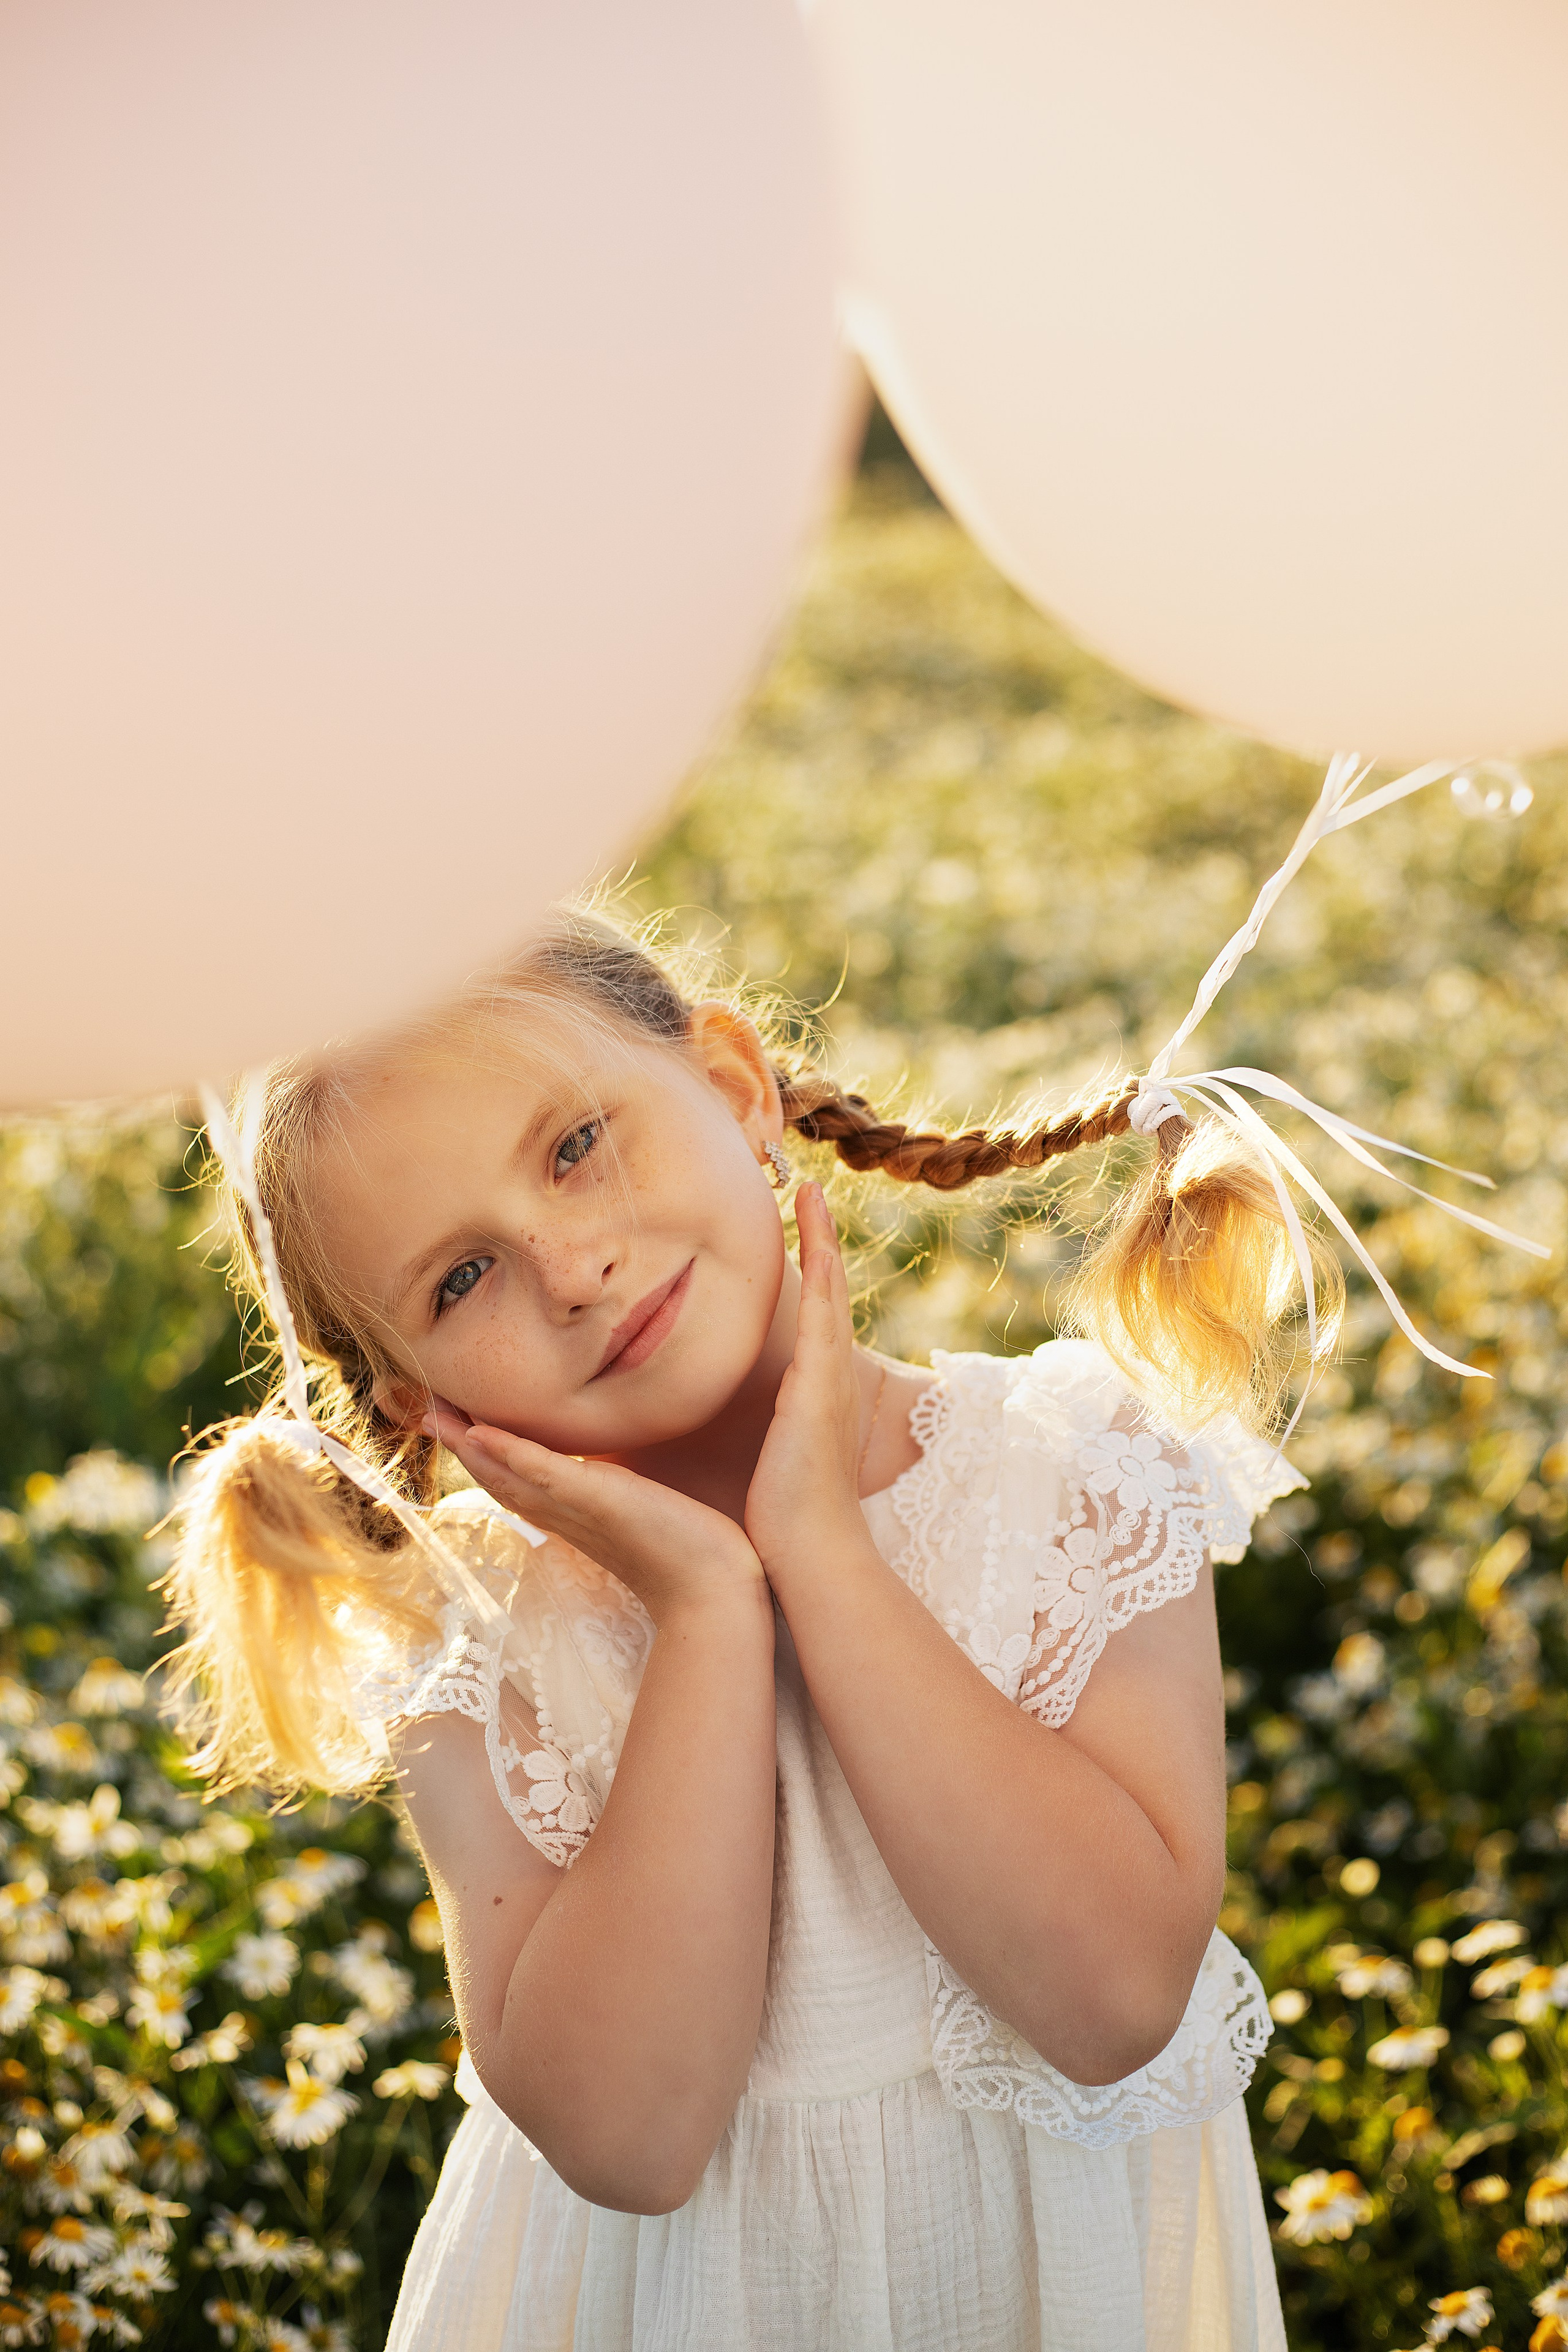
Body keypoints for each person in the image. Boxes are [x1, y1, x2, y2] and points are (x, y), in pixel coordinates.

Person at [164, 907, 1341, 2352]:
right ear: (418, 1402)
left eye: (576, 1145)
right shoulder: (479, 1648)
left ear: (731, 1089)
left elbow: (1107, 2002)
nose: (571, 1263)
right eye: (460, 1280)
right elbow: (633, 2140)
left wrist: (823, 1556)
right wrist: (708, 1608)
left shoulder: (1075, 1475)